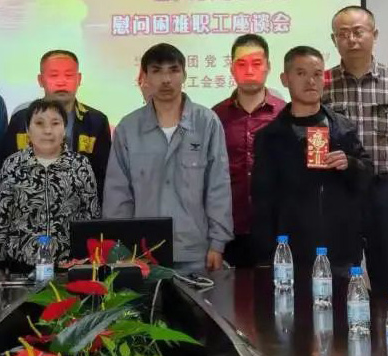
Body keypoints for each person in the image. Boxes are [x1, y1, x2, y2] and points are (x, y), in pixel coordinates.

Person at [103, 43, 233, 274]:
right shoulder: (128, 128)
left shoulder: (206, 123)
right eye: (157, 71)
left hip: (196, 252)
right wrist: (119, 248)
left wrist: (218, 243)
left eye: (173, 70)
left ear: (184, 74)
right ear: (145, 77)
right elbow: (118, 194)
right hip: (142, 254)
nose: (166, 80)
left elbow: (218, 187)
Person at [324, 5, 388, 297]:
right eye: (343, 34)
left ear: (374, 35)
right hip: (339, 191)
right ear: (334, 40)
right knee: (341, 276)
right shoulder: (323, 84)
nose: (351, 39)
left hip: (384, 190)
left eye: (358, 32)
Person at [252, 46, 373, 274]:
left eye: (317, 74)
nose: (310, 81)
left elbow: (366, 175)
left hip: (341, 250)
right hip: (290, 253)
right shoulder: (270, 137)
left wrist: (350, 164)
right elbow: (262, 201)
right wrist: (267, 254)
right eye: (301, 73)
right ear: (285, 79)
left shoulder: (342, 127)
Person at [0, 99, 100, 271]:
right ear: (28, 129)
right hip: (21, 265)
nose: (48, 131)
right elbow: (2, 219)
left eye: (55, 123)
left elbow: (91, 216)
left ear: (64, 128)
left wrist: (91, 262)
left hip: (69, 265)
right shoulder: (12, 165)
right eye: (39, 123)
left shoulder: (80, 165)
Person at [212, 34, 285, 268]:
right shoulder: (215, 117)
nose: (249, 71)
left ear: (268, 67)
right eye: (241, 64)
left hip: (278, 230)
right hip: (229, 229)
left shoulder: (285, 114)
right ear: (232, 69)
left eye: (256, 63)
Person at [3, 50, 111, 200]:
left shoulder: (96, 121)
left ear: (79, 79)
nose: (61, 82)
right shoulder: (20, 120)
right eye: (54, 75)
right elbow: (7, 172)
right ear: (40, 80)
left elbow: (103, 176)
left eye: (69, 75)